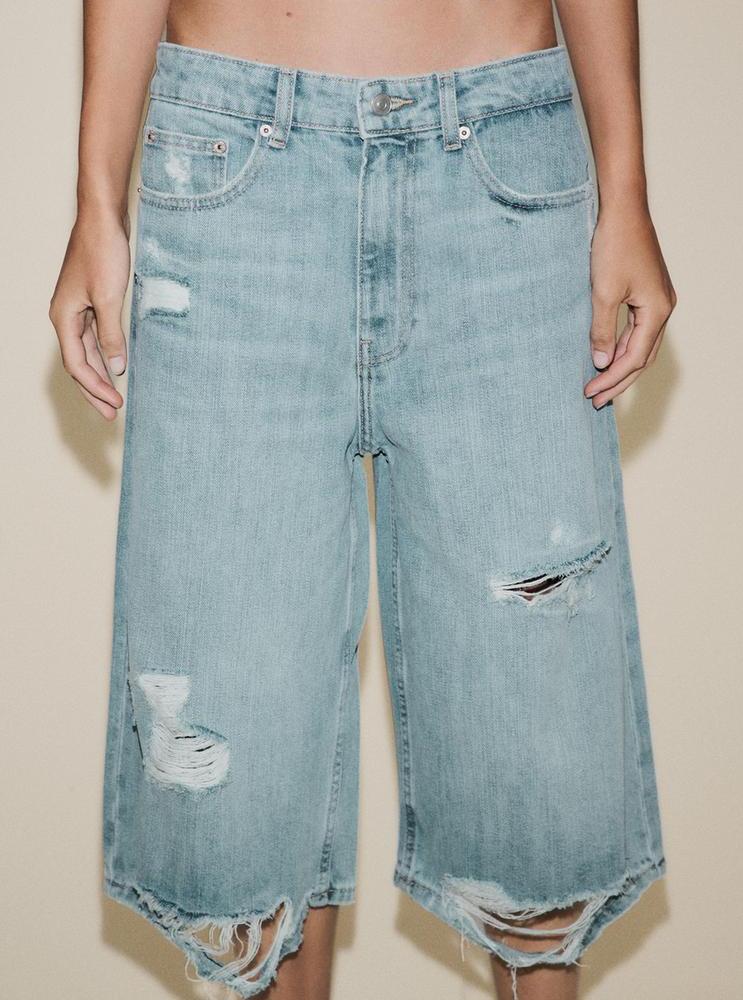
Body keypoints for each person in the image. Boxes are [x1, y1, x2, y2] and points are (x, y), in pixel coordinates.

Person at [49, 2, 676, 998]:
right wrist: (97, 198)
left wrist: (627, 188)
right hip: (232, 164)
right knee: (246, 753)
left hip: (502, 162)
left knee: (535, 733)